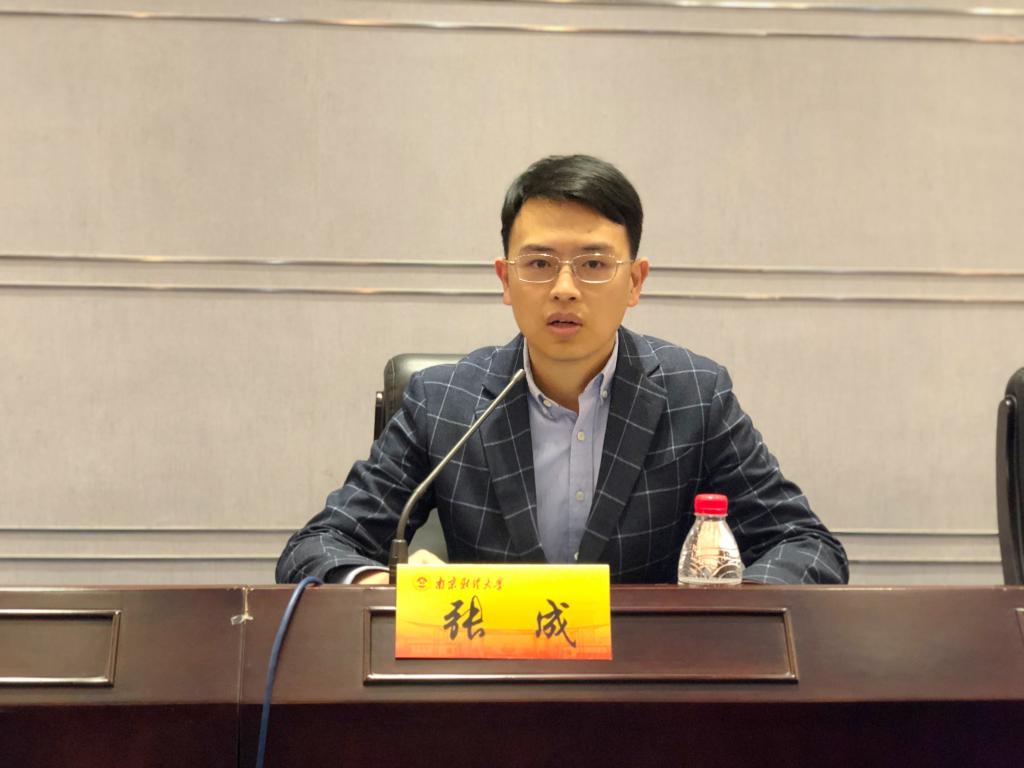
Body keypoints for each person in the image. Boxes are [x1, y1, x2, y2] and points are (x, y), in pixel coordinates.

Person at [277, 154, 848, 586]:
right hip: (492, 685)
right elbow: (316, 547)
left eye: (594, 263)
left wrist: (725, 615)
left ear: (635, 282)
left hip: (643, 687)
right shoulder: (443, 402)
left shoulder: (694, 395)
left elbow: (807, 545)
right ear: (505, 280)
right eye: (540, 263)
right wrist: (382, 586)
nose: (566, 288)